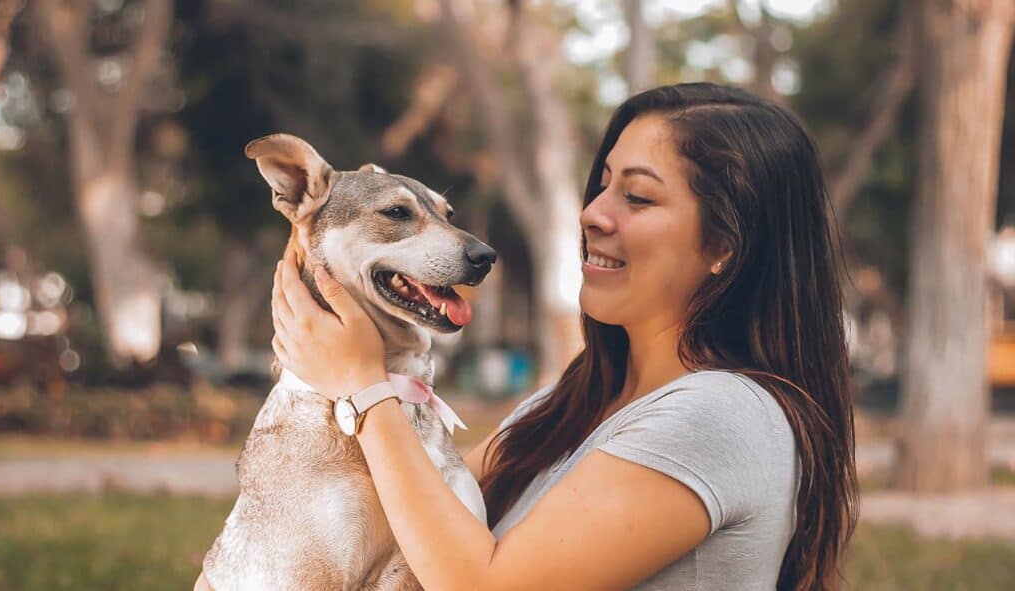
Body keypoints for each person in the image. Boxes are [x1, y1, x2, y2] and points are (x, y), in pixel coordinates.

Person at [271, 83, 858, 590]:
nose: (592, 213)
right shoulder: (563, 406)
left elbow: (482, 585)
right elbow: (403, 525)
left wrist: (363, 386)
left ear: (725, 248)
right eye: (602, 186)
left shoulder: (721, 416)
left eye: (638, 196)